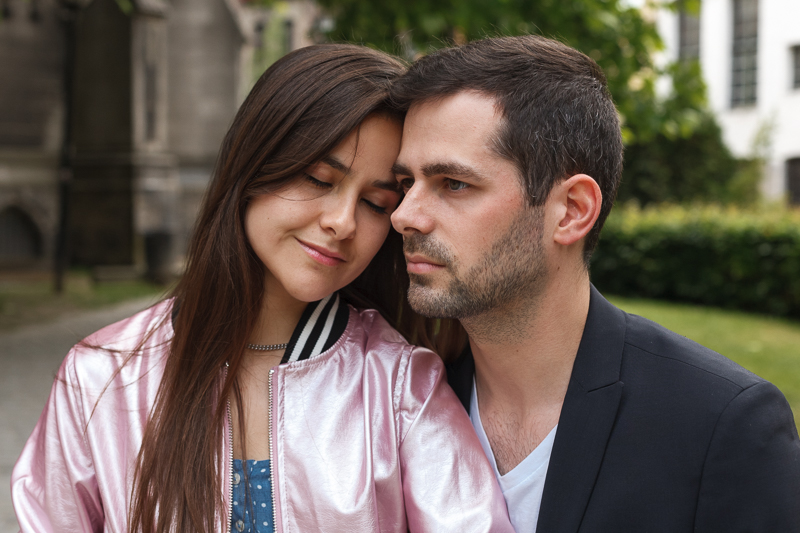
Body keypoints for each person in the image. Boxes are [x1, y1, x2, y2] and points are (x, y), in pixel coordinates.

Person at [11, 44, 513, 533]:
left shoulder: (400, 385)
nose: (341, 222)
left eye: (377, 203)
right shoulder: (101, 376)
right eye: (319, 179)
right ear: (253, 167)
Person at [389, 35, 800, 532]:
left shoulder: (721, 427)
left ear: (572, 210)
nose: (404, 216)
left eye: (454, 184)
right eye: (406, 183)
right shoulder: (402, 403)